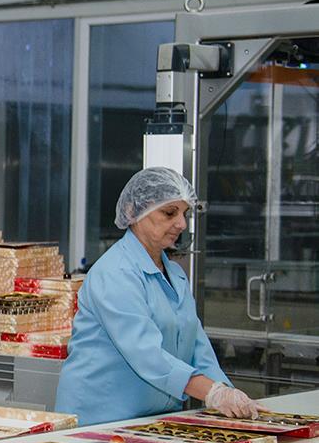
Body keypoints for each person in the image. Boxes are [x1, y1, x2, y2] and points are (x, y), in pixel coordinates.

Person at [55, 167, 260, 426]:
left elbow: (197, 347)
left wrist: (227, 394)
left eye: (184, 213)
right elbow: (146, 354)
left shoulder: (175, 274)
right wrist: (212, 393)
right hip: (98, 420)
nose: (181, 224)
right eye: (169, 213)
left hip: (152, 420)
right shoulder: (115, 273)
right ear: (132, 211)